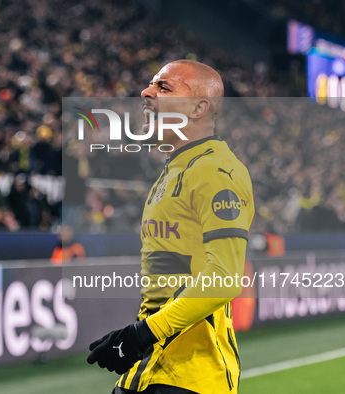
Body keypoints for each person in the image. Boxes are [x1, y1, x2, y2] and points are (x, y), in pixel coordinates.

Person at [87, 60, 254, 394]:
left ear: (197, 108)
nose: (146, 92)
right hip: (151, 371)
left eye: (164, 87)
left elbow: (224, 278)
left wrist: (141, 335)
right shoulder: (176, 170)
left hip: (190, 378)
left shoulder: (215, 171)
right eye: (152, 84)